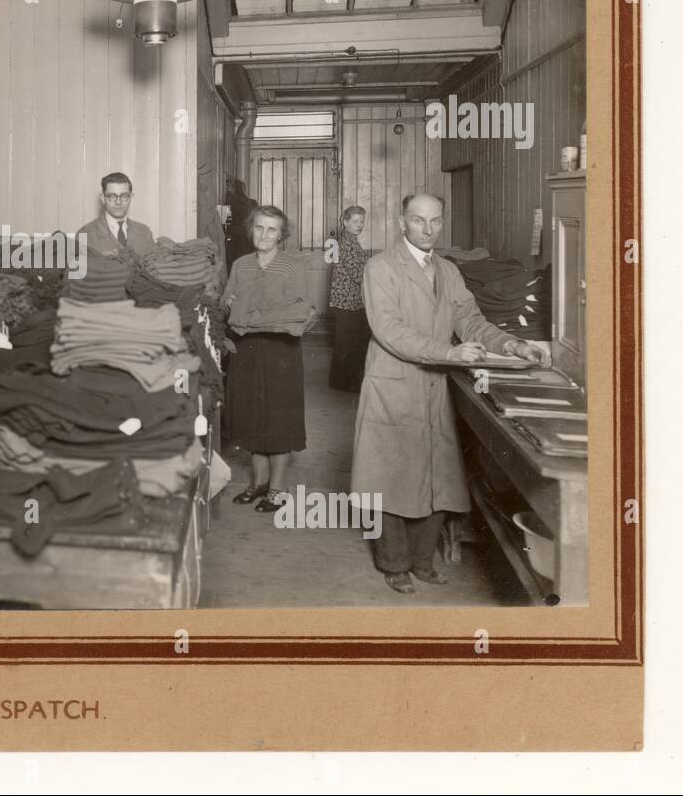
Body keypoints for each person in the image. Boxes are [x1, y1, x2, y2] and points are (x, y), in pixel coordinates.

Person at [353, 193, 550, 594]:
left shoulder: (448, 270)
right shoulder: (381, 267)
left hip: (434, 382)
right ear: (401, 221)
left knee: (437, 470)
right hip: (394, 381)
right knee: (391, 474)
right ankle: (393, 563)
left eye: (436, 221)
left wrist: (511, 345)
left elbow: (471, 320)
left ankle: (422, 560)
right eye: (418, 220)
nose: (428, 230)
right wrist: (448, 351)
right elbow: (389, 330)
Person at [222, 205, 316, 510]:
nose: (264, 234)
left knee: (278, 417)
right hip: (247, 349)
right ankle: (258, 482)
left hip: (281, 350)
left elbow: (301, 312)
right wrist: (230, 303)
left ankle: (278, 487)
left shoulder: (292, 265)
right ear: (251, 230)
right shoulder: (241, 265)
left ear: (281, 235)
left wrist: (251, 314)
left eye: (272, 229)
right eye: (259, 228)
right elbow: (226, 304)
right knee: (251, 413)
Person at [328, 204, 372, 391]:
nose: (359, 224)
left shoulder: (350, 240)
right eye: (355, 221)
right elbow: (358, 273)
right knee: (347, 344)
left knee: (348, 342)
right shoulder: (347, 243)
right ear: (345, 222)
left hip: (348, 301)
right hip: (347, 302)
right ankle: (343, 382)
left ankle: (343, 381)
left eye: (362, 221)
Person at [77, 171, 156, 259]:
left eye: (124, 196)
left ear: (131, 198)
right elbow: (78, 272)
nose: (118, 202)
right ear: (103, 198)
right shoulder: (85, 234)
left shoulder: (144, 232)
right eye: (111, 196)